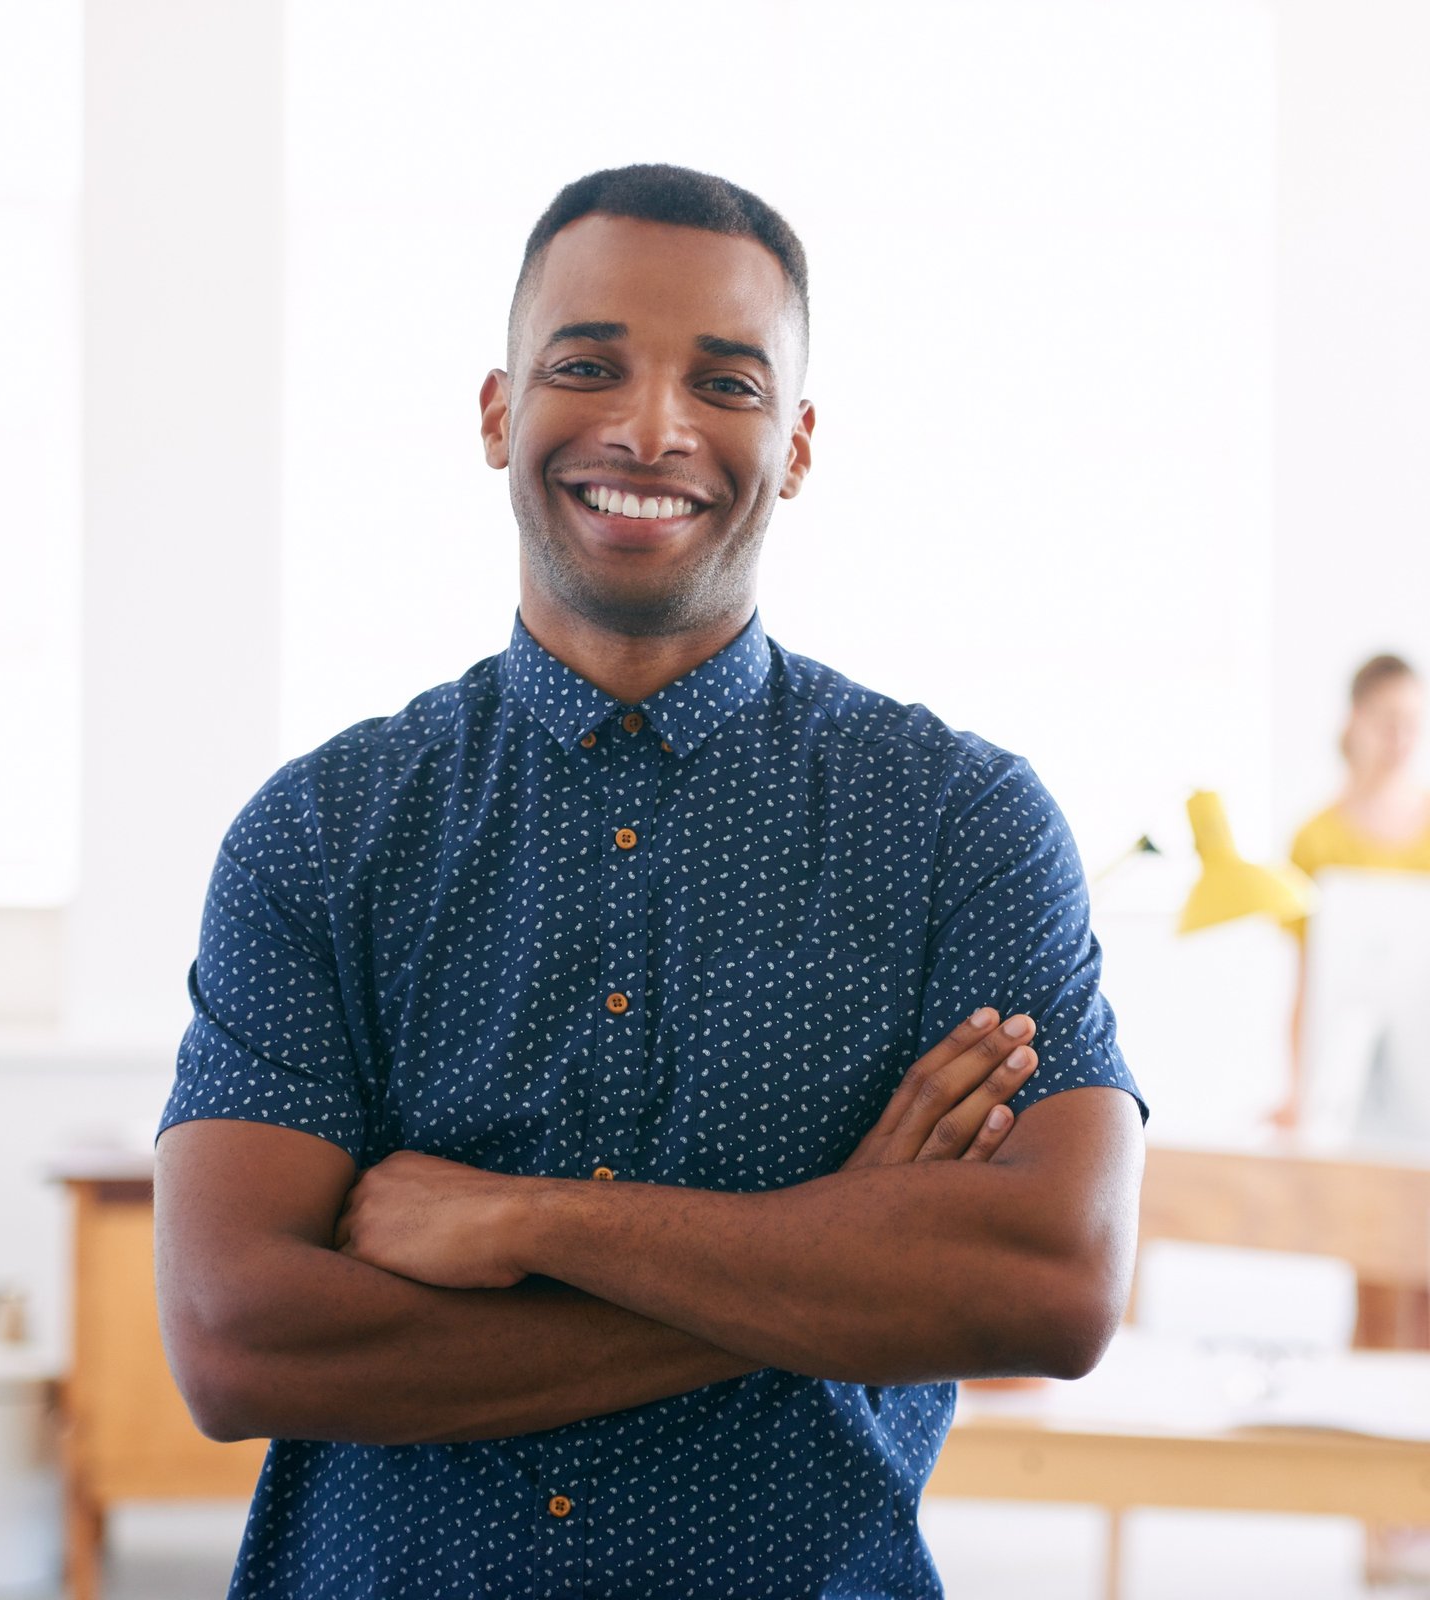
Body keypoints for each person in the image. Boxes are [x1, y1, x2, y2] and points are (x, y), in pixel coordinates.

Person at [154, 163, 1148, 1600]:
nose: (652, 426)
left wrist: (529, 1221)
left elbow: (1053, 1288)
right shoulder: (320, 834)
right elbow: (237, 1338)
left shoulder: (960, 823)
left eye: (728, 384)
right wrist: (827, 1256)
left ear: (797, 445)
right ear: (498, 412)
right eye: (587, 364)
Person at [1275, 653, 1430, 1133]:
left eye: (1412, 723)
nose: (1400, 739)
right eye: (1388, 722)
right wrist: (1299, 1092)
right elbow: (1308, 981)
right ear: (1357, 719)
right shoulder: (1314, 839)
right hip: (1340, 1074)